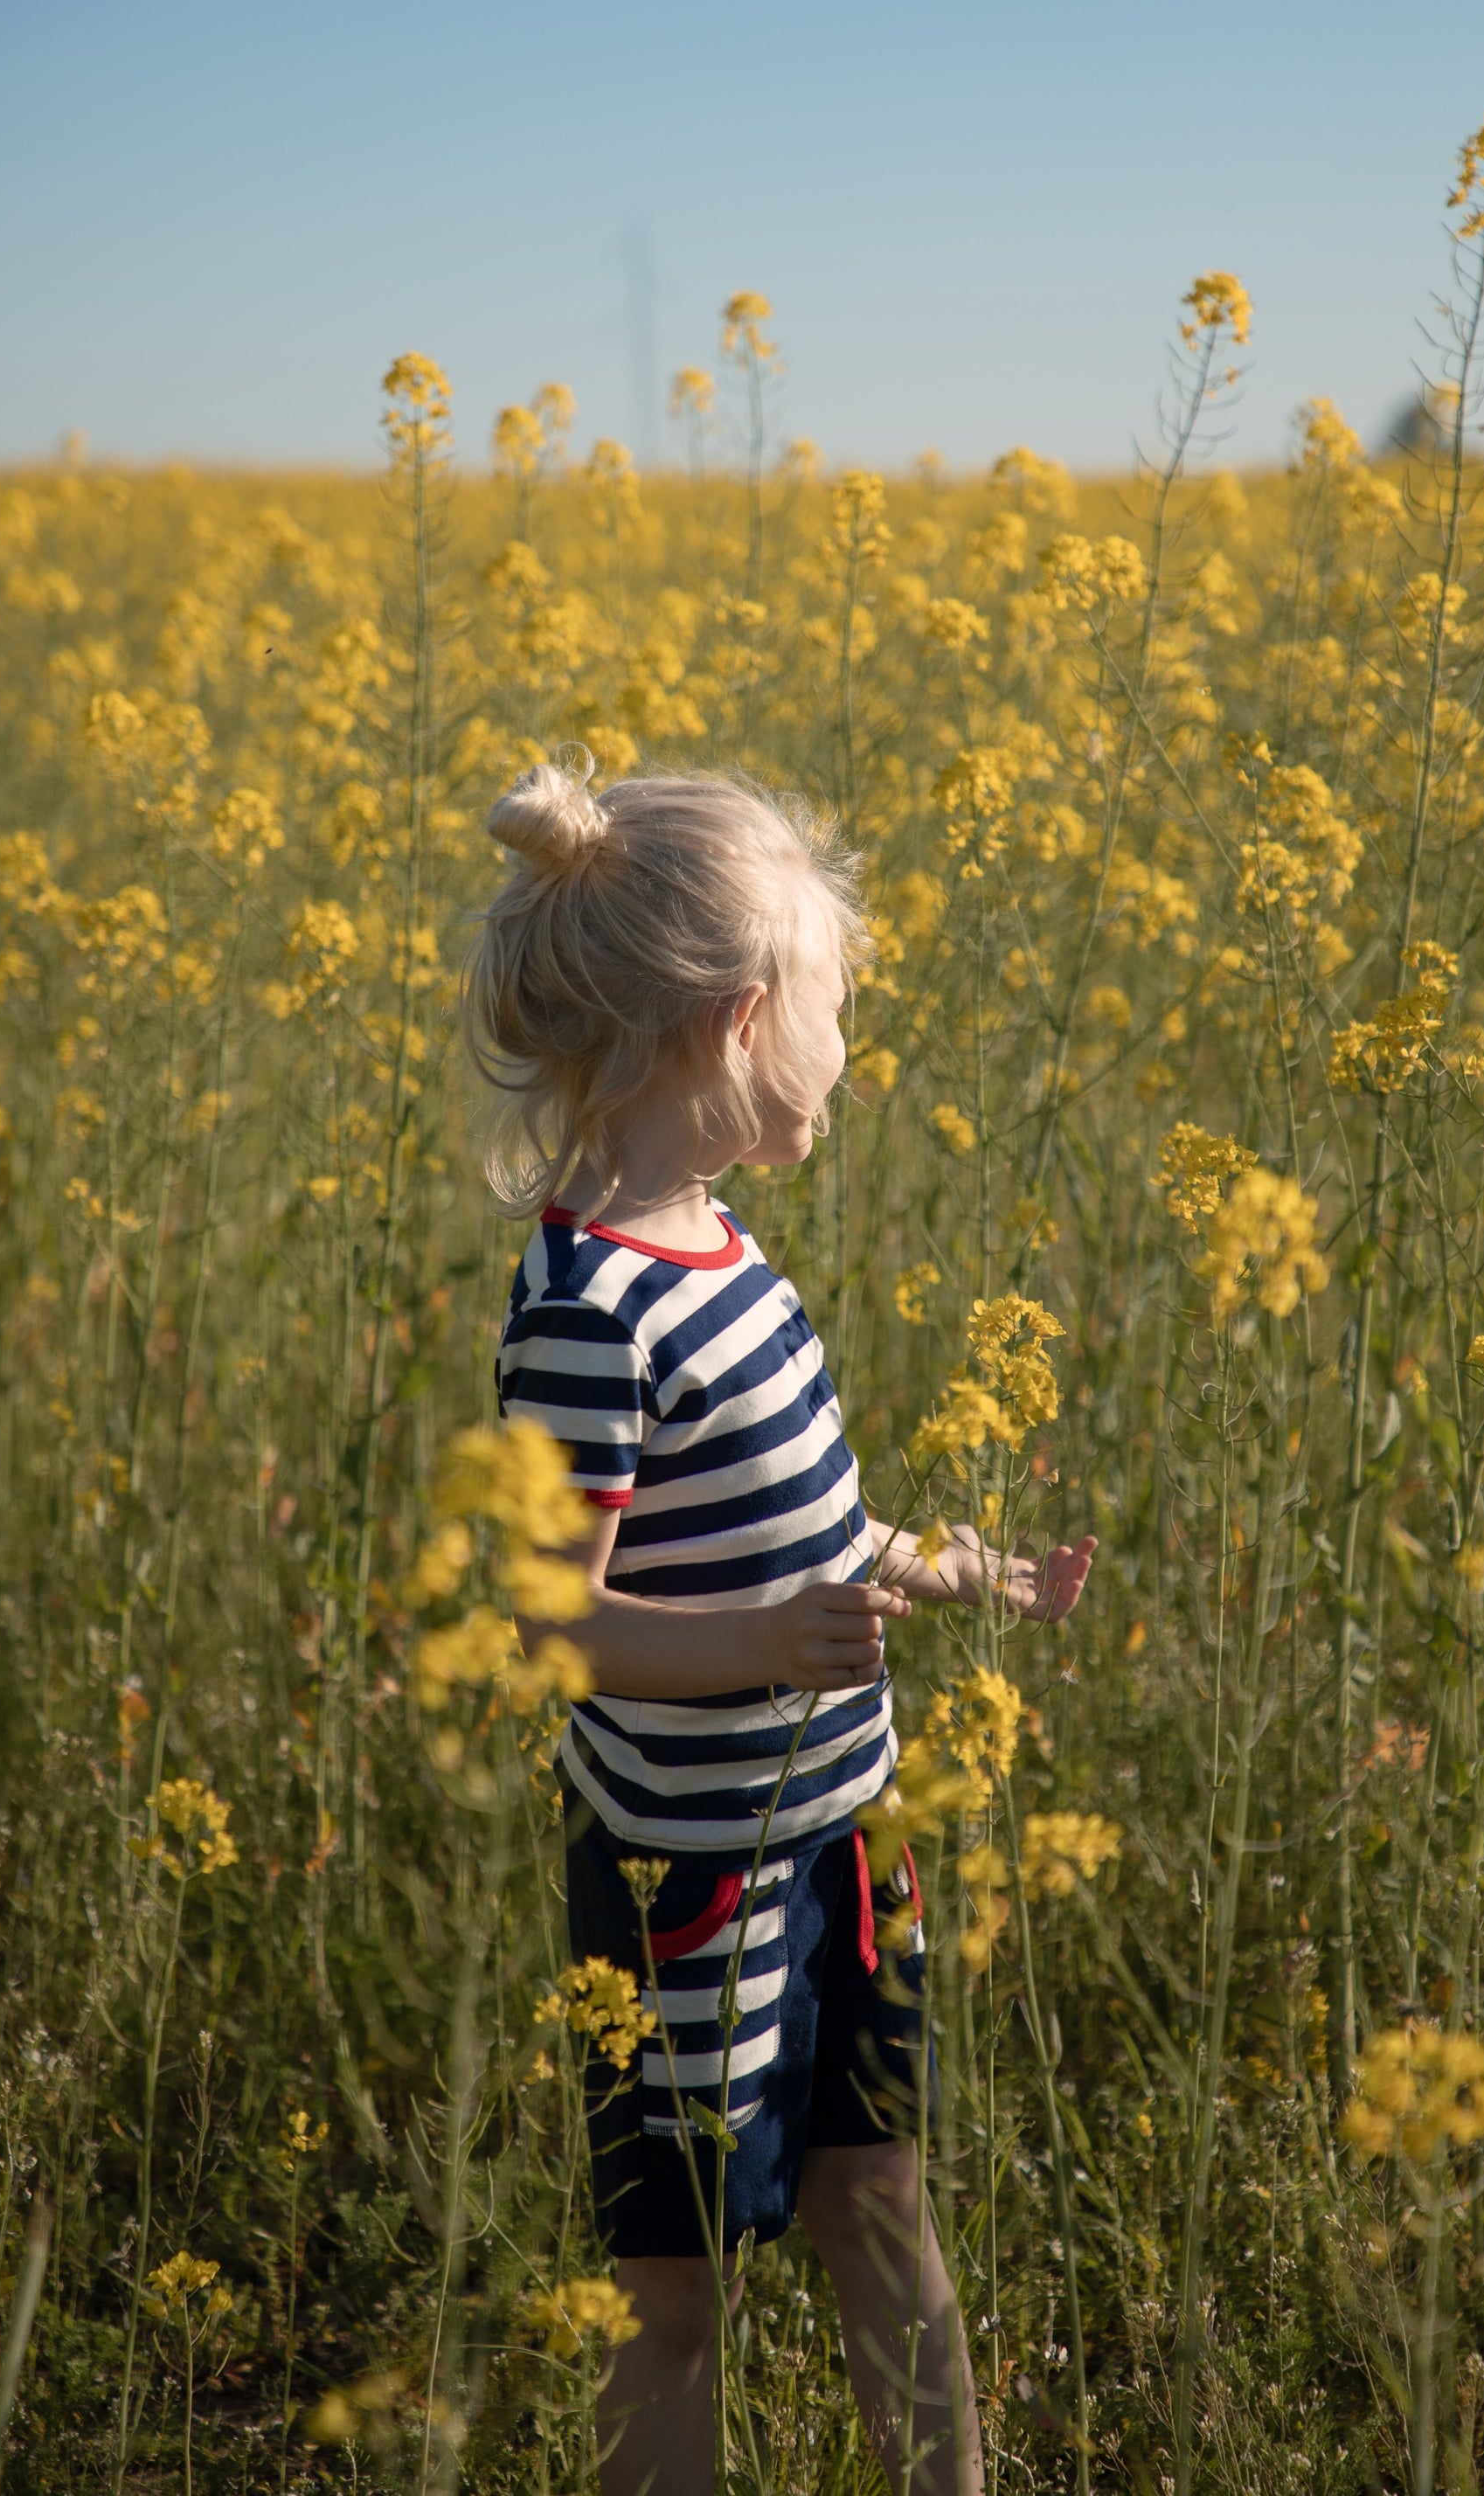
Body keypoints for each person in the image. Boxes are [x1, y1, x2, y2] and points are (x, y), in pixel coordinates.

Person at [461, 755, 1095, 2495]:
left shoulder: (726, 1253)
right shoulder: (590, 1308)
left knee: (883, 2205)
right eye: (836, 1011)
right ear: (745, 1022)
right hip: (691, 1878)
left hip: (844, 1834)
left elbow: (808, 1537)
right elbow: (547, 1629)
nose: (849, 1053)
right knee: (675, 2292)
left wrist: (957, 1565)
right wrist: (772, 1640)